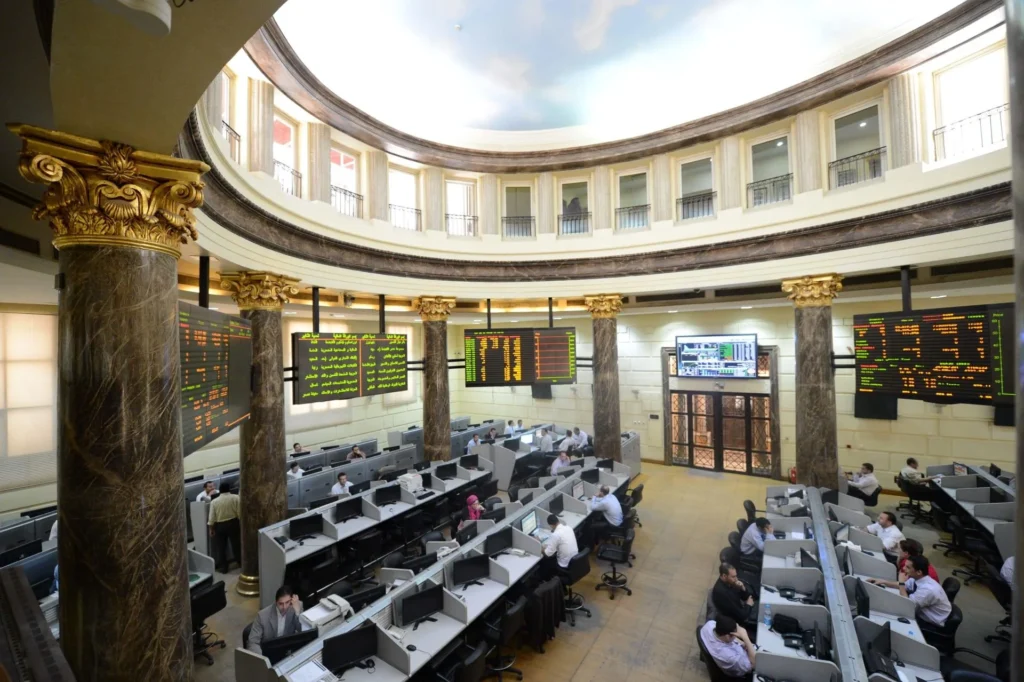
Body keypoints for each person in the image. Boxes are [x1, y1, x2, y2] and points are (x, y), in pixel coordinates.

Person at [871, 556, 950, 626]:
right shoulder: (918, 578)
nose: (904, 569)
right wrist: (883, 582)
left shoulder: (928, 590)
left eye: (908, 567)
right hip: (919, 610)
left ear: (919, 572)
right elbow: (904, 586)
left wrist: (901, 583)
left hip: (931, 622)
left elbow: (908, 607)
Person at [246, 585, 303, 655]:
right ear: (276, 602)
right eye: (281, 604)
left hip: (287, 651)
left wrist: (297, 613)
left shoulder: (296, 607)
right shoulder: (262, 616)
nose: (284, 607)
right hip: (268, 653)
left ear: (291, 600)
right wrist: (263, 658)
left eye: (287, 602)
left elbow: (302, 631)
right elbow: (253, 642)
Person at [208, 482, 241, 573]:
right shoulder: (236, 498)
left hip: (220, 526)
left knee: (221, 547)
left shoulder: (214, 502)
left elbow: (212, 518)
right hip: (233, 523)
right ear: (229, 489)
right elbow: (240, 513)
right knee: (236, 545)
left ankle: (224, 568)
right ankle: (240, 563)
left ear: (220, 490)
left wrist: (211, 529)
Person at [712, 563, 756, 629]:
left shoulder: (729, 582)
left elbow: (745, 597)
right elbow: (742, 616)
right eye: (733, 577)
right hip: (735, 622)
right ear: (724, 576)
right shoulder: (723, 593)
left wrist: (742, 588)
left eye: (736, 576)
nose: (736, 579)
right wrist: (749, 605)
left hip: (740, 610)